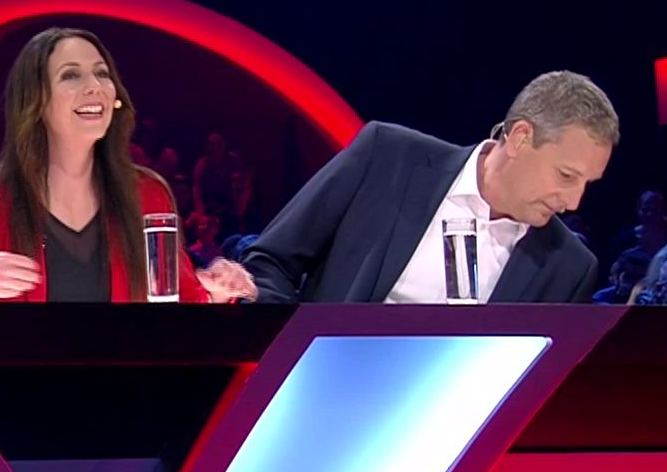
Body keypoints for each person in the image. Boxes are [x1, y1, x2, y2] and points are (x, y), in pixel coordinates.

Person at [0, 27, 253, 303]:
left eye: (101, 73)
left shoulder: (148, 196)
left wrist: (217, 291)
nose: (94, 86)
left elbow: (182, 306)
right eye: (70, 75)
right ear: (36, 100)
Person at [242, 70, 617, 304]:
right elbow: (271, 263)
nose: (573, 202)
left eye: (587, 184)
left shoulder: (569, 268)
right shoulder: (386, 158)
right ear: (520, 138)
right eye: (566, 176)